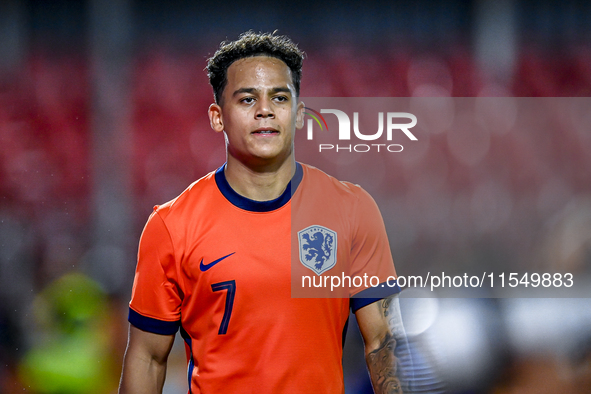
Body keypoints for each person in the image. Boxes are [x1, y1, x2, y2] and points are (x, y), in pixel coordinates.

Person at [118, 31, 408, 394]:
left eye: (280, 97)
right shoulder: (171, 225)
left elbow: (383, 340)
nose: (265, 110)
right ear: (217, 117)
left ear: (299, 114)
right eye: (246, 99)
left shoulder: (352, 209)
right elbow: (148, 357)